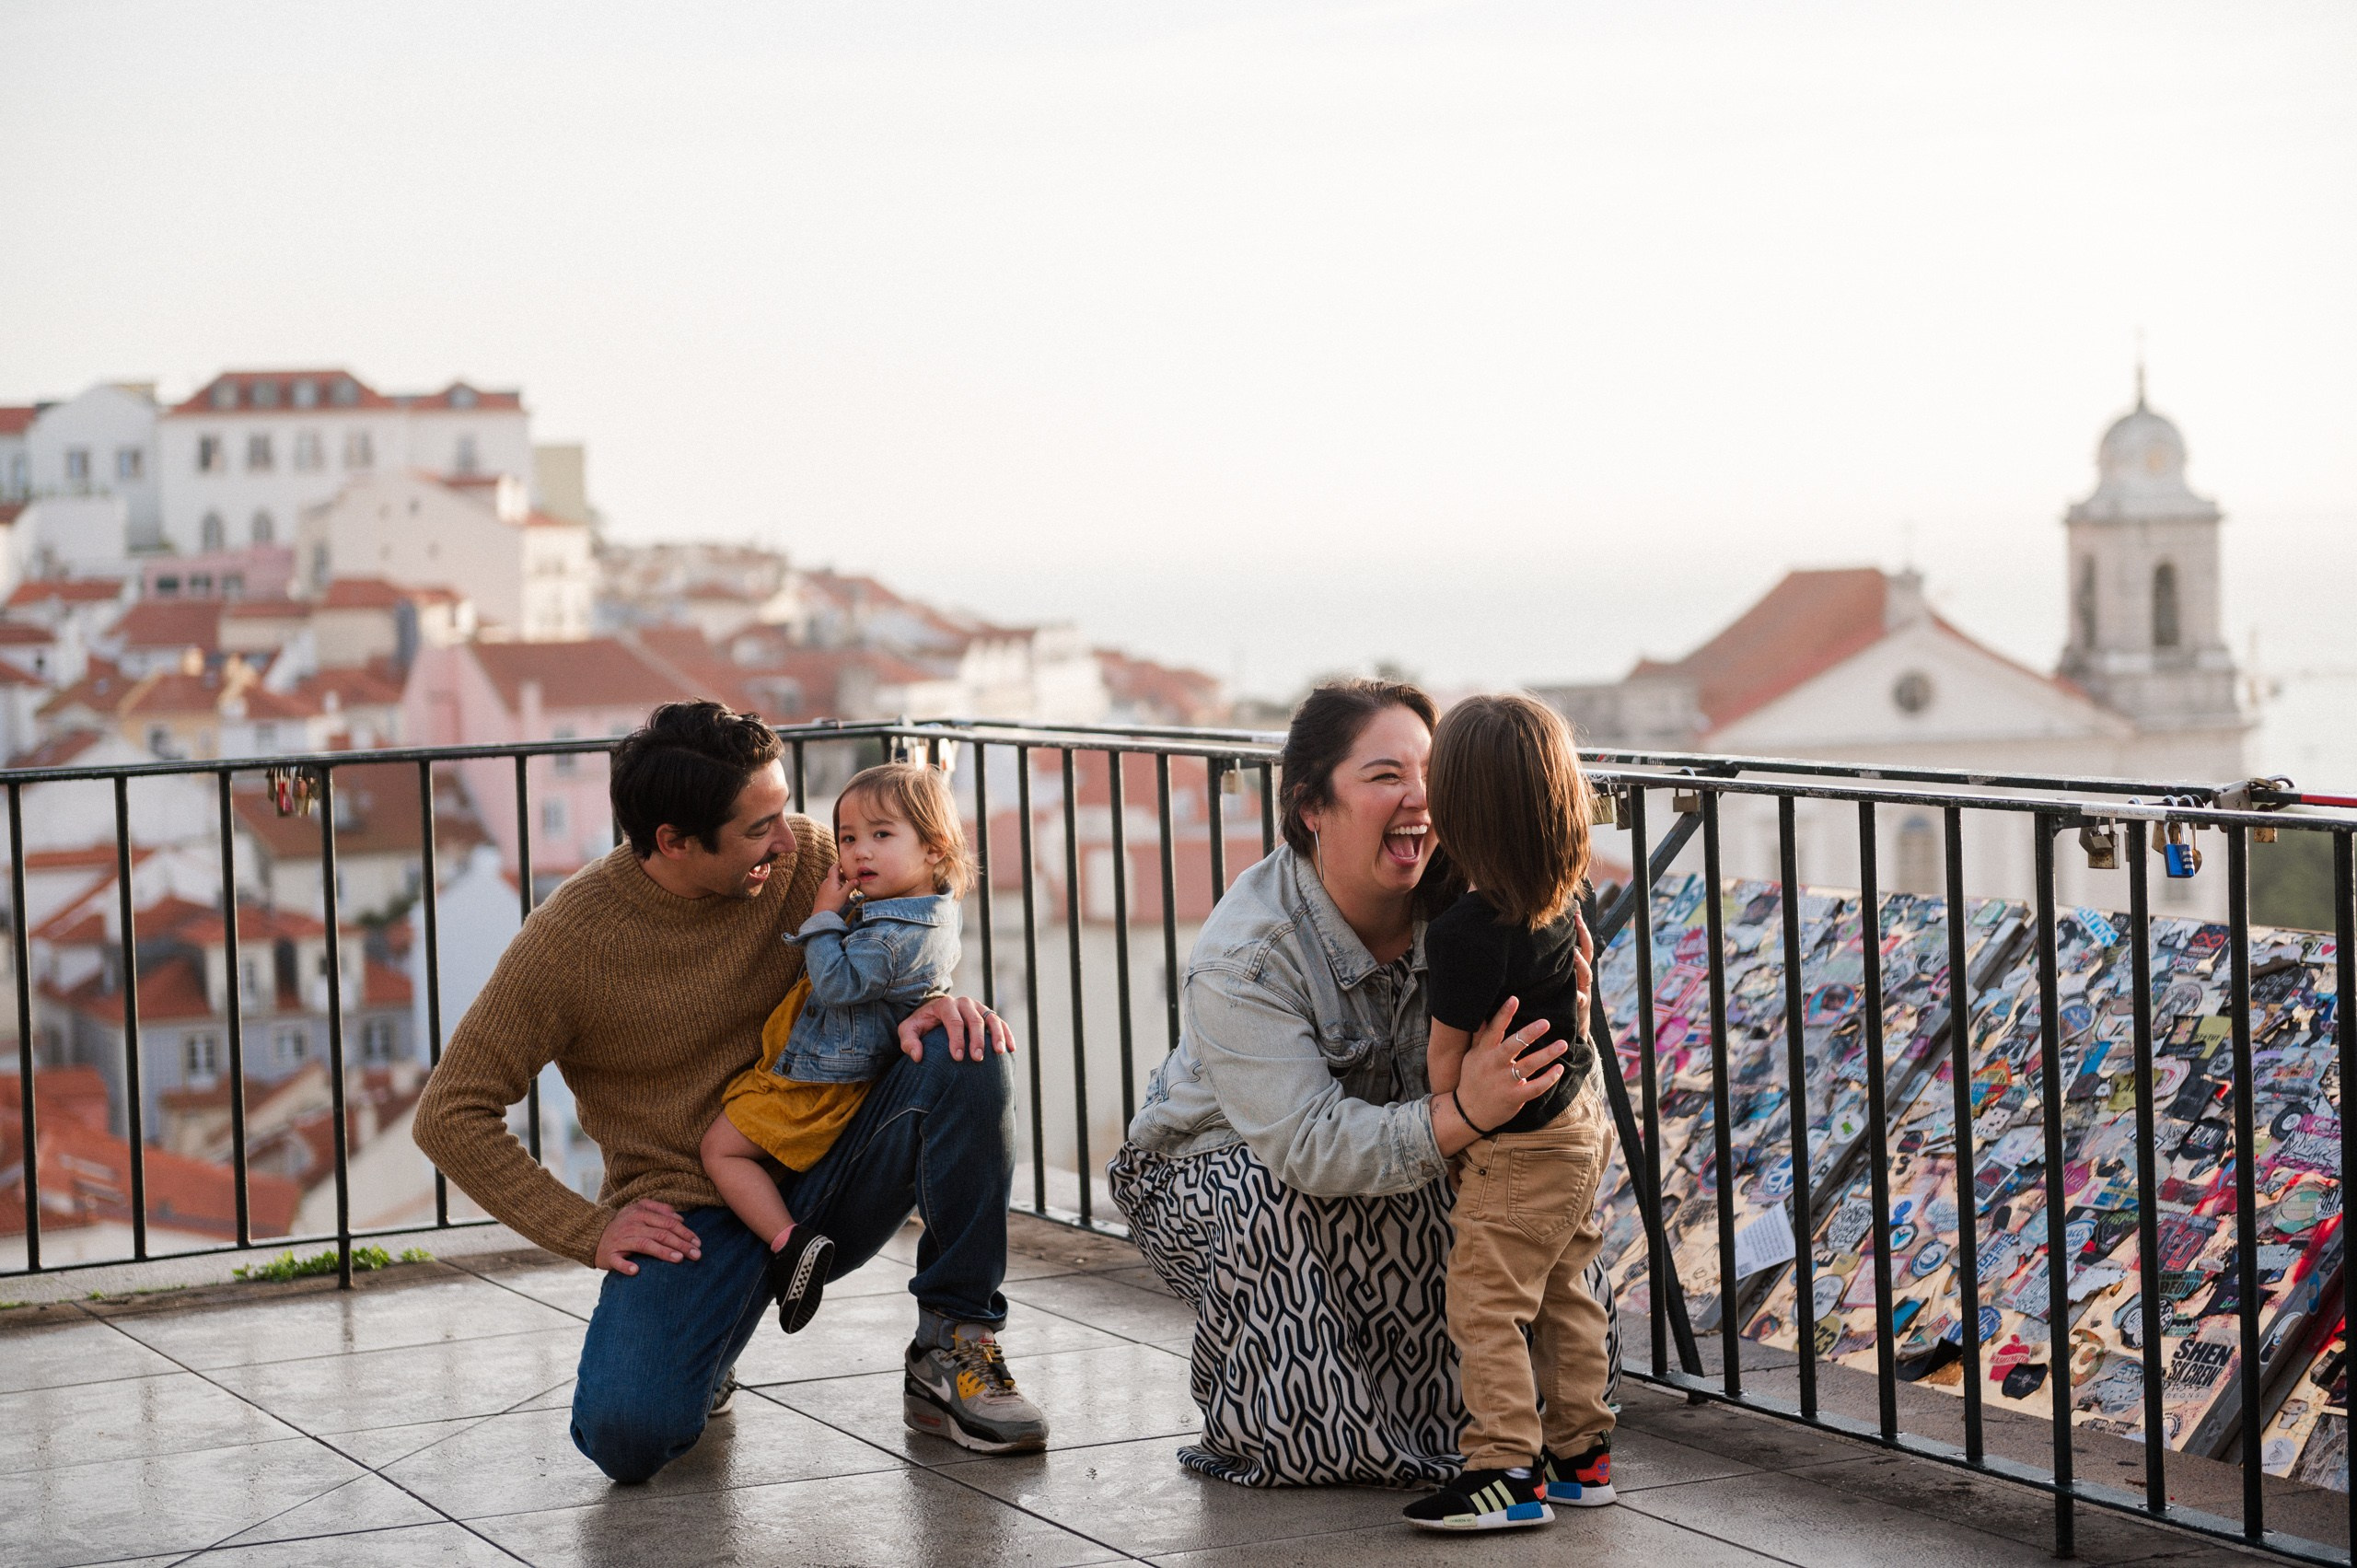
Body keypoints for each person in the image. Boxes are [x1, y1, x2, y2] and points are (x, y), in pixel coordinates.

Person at [413, 702, 1050, 1484]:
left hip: (833, 1168)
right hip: (695, 1210)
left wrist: (938, 999)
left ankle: (953, 1343)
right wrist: (586, 1228)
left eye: (783, 811)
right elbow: (450, 1112)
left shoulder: (811, 858)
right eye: (760, 828)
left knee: (967, 1050)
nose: (793, 840)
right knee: (628, 1435)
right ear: (675, 841)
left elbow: (904, 938)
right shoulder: (572, 939)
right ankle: (706, 1343)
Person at [1108, 679, 1617, 1489]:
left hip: (1413, 1136)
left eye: (1430, 772)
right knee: (1266, 1199)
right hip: (1217, 1169)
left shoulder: (1481, 899)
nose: (1419, 798)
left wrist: (1556, 1037)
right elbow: (1308, 1144)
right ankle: (1324, 1432)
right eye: (1385, 776)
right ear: (1313, 805)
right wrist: (1468, 1109)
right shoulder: (1246, 956)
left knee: (1531, 1196)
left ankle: (1527, 1443)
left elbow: (1544, 1057)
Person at [1402, 693, 1617, 1531]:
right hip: (1578, 1123)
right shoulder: (1562, 898)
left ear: (1459, 811)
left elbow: (1446, 1061)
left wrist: (1447, 1127)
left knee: (1486, 1304)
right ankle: (1581, 1456)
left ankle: (1503, 1470)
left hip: (1518, 1147)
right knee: (1564, 1290)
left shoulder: (1462, 932)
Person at [701, 762, 970, 1336]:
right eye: (848, 838)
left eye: (881, 835)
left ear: (934, 847)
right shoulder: (930, 914)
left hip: (817, 1086)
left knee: (721, 1151)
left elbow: (838, 985)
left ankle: (790, 1242)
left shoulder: (891, 935)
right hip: (828, 1075)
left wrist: (823, 919)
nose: (857, 854)